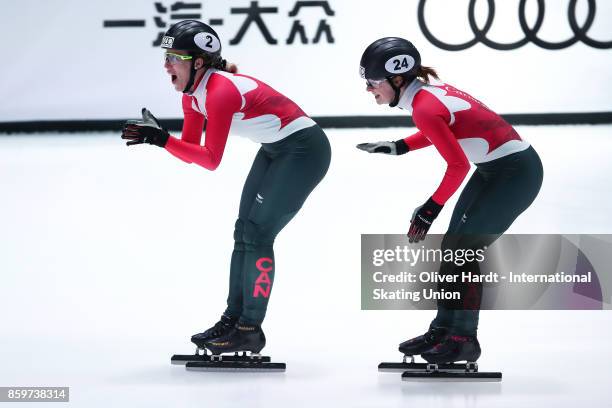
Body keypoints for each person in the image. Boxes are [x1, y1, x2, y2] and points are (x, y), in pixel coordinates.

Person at [121, 20, 331, 355]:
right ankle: (233, 319)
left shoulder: (220, 91)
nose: (166, 65)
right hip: (276, 149)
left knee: (260, 234)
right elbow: (190, 154)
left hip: (305, 151)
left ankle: (250, 328)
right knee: (243, 231)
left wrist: (162, 139)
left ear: (199, 62)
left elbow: (210, 159)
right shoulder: (192, 95)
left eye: (174, 57)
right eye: (166, 56)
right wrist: (160, 139)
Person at [356, 37, 543, 363]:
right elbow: (446, 128)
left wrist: (430, 208)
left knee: (464, 252)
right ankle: (444, 329)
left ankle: (464, 338)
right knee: (452, 249)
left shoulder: (424, 107)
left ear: (397, 79)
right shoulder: (427, 94)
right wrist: (400, 146)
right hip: (497, 169)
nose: (369, 90)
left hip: (515, 174)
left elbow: (457, 165)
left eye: (373, 83)